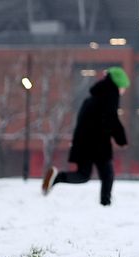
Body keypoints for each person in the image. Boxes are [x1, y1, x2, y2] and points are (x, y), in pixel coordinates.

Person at [41, 67, 129, 205]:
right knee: (107, 174)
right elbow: (111, 118)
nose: (123, 91)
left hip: (83, 141)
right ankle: (105, 203)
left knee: (83, 175)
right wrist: (121, 138)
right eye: (123, 87)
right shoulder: (110, 95)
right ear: (118, 82)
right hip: (99, 143)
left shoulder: (93, 97)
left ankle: (56, 178)